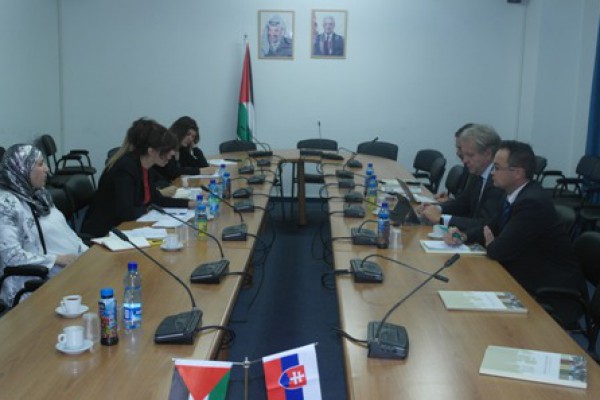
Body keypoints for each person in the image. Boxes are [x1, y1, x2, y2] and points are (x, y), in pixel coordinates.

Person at [445, 141, 586, 326]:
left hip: (551, 291)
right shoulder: (514, 194)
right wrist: (464, 236)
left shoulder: (532, 203)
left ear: (518, 173)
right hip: (524, 271)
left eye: (497, 168)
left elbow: (497, 251)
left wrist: (492, 242)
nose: (492, 172)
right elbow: (491, 227)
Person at [0, 144, 87, 306]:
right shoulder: (6, 205)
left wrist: (84, 251)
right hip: (31, 283)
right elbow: (11, 257)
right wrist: (57, 259)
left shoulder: (39, 195)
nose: (47, 169)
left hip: (63, 270)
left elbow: (63, 232)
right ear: (23, 169)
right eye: (40, 164)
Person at [81, 118, 195, 237]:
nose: (172, 154)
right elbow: (126, 212)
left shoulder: (145, 167)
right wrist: (149, 208)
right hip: (105, 233)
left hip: (127, 228)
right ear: (151, 151)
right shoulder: (125, 168)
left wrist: (190, 203)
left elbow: (157, 199)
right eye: (168, 150)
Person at [418, 124, 504, 231]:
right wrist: (437, 208)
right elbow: (463, 203)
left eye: (470, 155)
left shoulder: (499, 181)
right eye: (464, 155)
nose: (464, 160)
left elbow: (484, 224)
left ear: (488, 154)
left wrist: (441, 219)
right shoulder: (477, 171)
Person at [153, 116, 210, 186]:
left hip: (173, 185)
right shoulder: (167, 146)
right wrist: (198, 171)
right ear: (179, 131)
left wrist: (195, 148)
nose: (190, 139)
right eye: (188, 134)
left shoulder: (182, 149)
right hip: (160, 186)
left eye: (193, 136)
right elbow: (173, 171)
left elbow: (203, 166)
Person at [435, 123, 473, 202]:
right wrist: (450, 200)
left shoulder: (485, 177)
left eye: (460, 148)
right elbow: (464, 201)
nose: (457, 153)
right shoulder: (467, 168)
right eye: (457, 147)